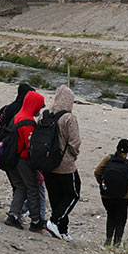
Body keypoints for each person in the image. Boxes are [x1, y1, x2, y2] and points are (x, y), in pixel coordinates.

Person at [44, 85, 82, 241]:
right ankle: (54, 222)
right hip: (65, 165)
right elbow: (75, 142)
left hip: (46, 163)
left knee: (56, 196)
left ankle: (62, 229)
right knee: (73, 194)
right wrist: (73, 155)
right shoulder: (68, 118)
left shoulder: (45, 114)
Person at [5, 90, 45, 232]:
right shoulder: (28, 122)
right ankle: (36, 221)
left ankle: (13, 215)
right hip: (22, 160)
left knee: (20, 187)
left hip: (10, 158)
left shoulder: (17, 116)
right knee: (32, 188)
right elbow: (29, 147)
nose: (39, 110)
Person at [94, 139, 128, 246]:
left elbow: (97, 171)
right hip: (123, 197)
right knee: (121, 219)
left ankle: (108, 240)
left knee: (111, 215)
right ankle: (116, 243)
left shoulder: (108, 158)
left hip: (106, 195)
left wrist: (103, 184)